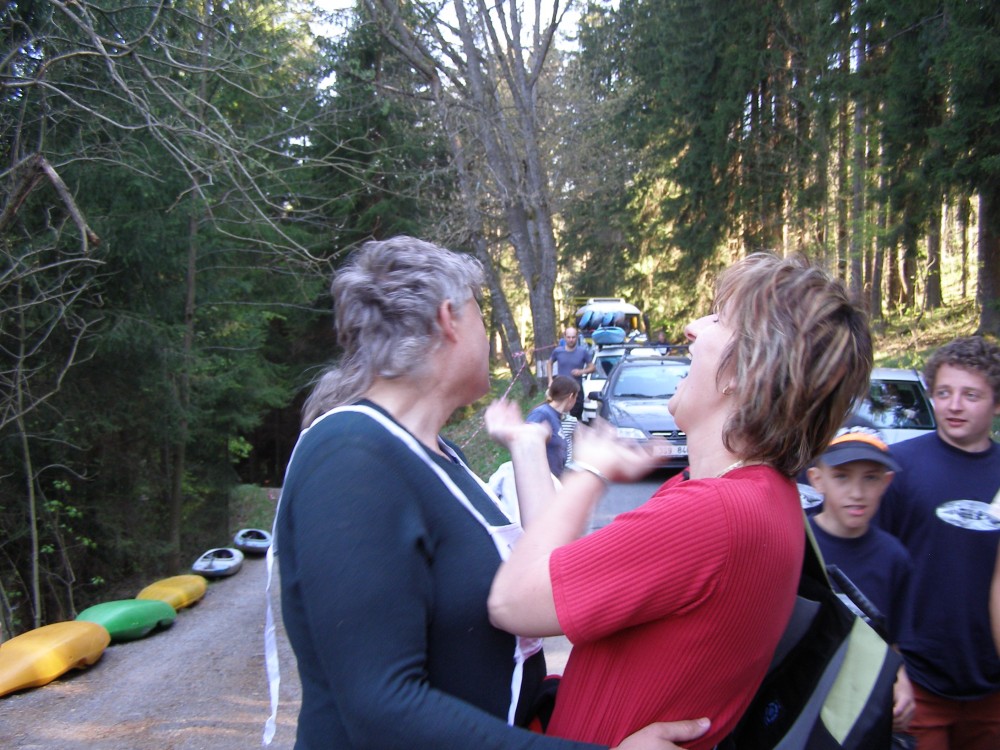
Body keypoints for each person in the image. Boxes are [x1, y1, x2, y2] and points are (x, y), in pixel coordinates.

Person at [274, 236, 710, 750]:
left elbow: (520, 597)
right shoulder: (350, 457)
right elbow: (382, 708)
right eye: (481, 315)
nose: (490, 335)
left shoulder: (436, 454)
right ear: (449, 319)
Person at [487, 252, 873, 750]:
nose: (692, 328)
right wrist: (528, 448)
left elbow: (513, 602)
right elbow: (561, 584)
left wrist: (589, 471)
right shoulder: (758, 497)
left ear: (747, 371)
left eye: (718, 318)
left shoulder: (715, 515)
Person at [876, 335, 1000, 750]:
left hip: (991, 682)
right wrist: (891, 667)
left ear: (997, 404)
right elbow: (873, 572)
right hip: (917, 679)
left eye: (971, 395)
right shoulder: (899, 469)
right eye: (944, 393)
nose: (954, 405)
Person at [804, 426, 916, 734]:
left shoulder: (894, 558)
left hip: (865, 704)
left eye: (870, 478)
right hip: (803, 701)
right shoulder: (797, 544)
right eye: (842, 476)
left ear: (886, 482)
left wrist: (901, 681)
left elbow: (895, 642)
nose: (857, 492)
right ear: (817, 479)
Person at [527, 375, 580, 478]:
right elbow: (526, 446)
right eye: (576, 398)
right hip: (540, 480)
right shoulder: (541, 414)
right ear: (570, 397)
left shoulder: (557, 416)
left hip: (555, 480)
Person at [548, 326, 594, 420]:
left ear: (577, 337)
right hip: (561, 390)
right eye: (568, 337)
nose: (571, 340)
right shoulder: (558, 351)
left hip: (576, 391)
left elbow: (592, 367)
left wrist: (581, 371)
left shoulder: (582, 352)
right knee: (559, 416)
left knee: (575, 418)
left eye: (573, 337)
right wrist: (550, 380)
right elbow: (549, 363)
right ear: (565, 337)